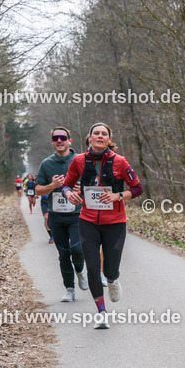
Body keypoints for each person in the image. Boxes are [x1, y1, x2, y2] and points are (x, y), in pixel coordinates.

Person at [60, 122, 143, 329]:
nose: (99, 136)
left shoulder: (120, 162)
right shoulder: (79, 160)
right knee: (93, 269)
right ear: (89, 138)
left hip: (115, 223)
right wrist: (68, 193)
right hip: (88, 221)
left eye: (103, 134)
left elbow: (138, 188)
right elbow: (67, 184)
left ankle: (113, 280)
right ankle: (101, 313)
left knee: (109, 269)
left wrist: (118, 195)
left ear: (108, 139)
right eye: (95, 133)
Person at [33, 127, 87, 302]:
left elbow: (95, 183)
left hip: (77, 214)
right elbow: (38, 190)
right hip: (56, 215)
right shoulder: (46, 164)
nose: (59, 140)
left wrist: (82, 189)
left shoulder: (80, 160)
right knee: (63, 254)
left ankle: (79, 269)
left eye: (63, 137)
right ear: (52, 142)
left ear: (69, 141)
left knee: (77, 249)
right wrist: (52, 186)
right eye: (56, 138)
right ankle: (69, 289)